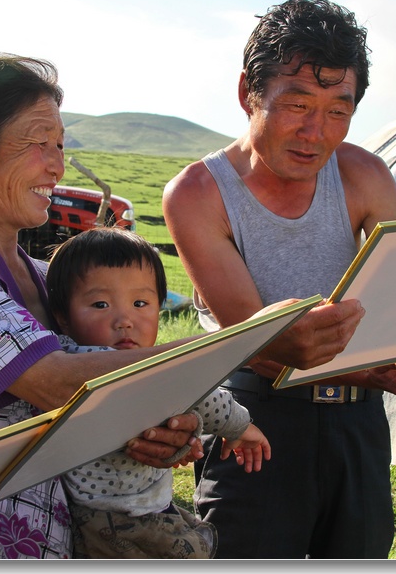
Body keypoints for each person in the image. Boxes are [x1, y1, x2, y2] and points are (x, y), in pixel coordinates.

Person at [162, 0, 396, 559]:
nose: (315, 132)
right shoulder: (198, 194)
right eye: (297, 104)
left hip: (358, 423)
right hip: (255, 427)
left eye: (338, 110)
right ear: (247, 95)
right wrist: (383, 373)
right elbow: (258, 347)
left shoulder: (363, 173)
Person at [0, 54, 204, 559]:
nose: (57, 164)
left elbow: (103, 399)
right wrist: (236, 347)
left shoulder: (50, 279)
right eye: (38, 143)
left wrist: (161, 430)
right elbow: (57, 381)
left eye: (61, 146)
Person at [45, 226, 271, 558]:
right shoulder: (84, 364)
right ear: (62, 317)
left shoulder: (66, 355)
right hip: (117, 518)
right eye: (100, 304)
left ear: (160, 307)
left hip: (131, 508)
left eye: (140, 302)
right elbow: (200, 391)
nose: (124, 320)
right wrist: (240, 425)